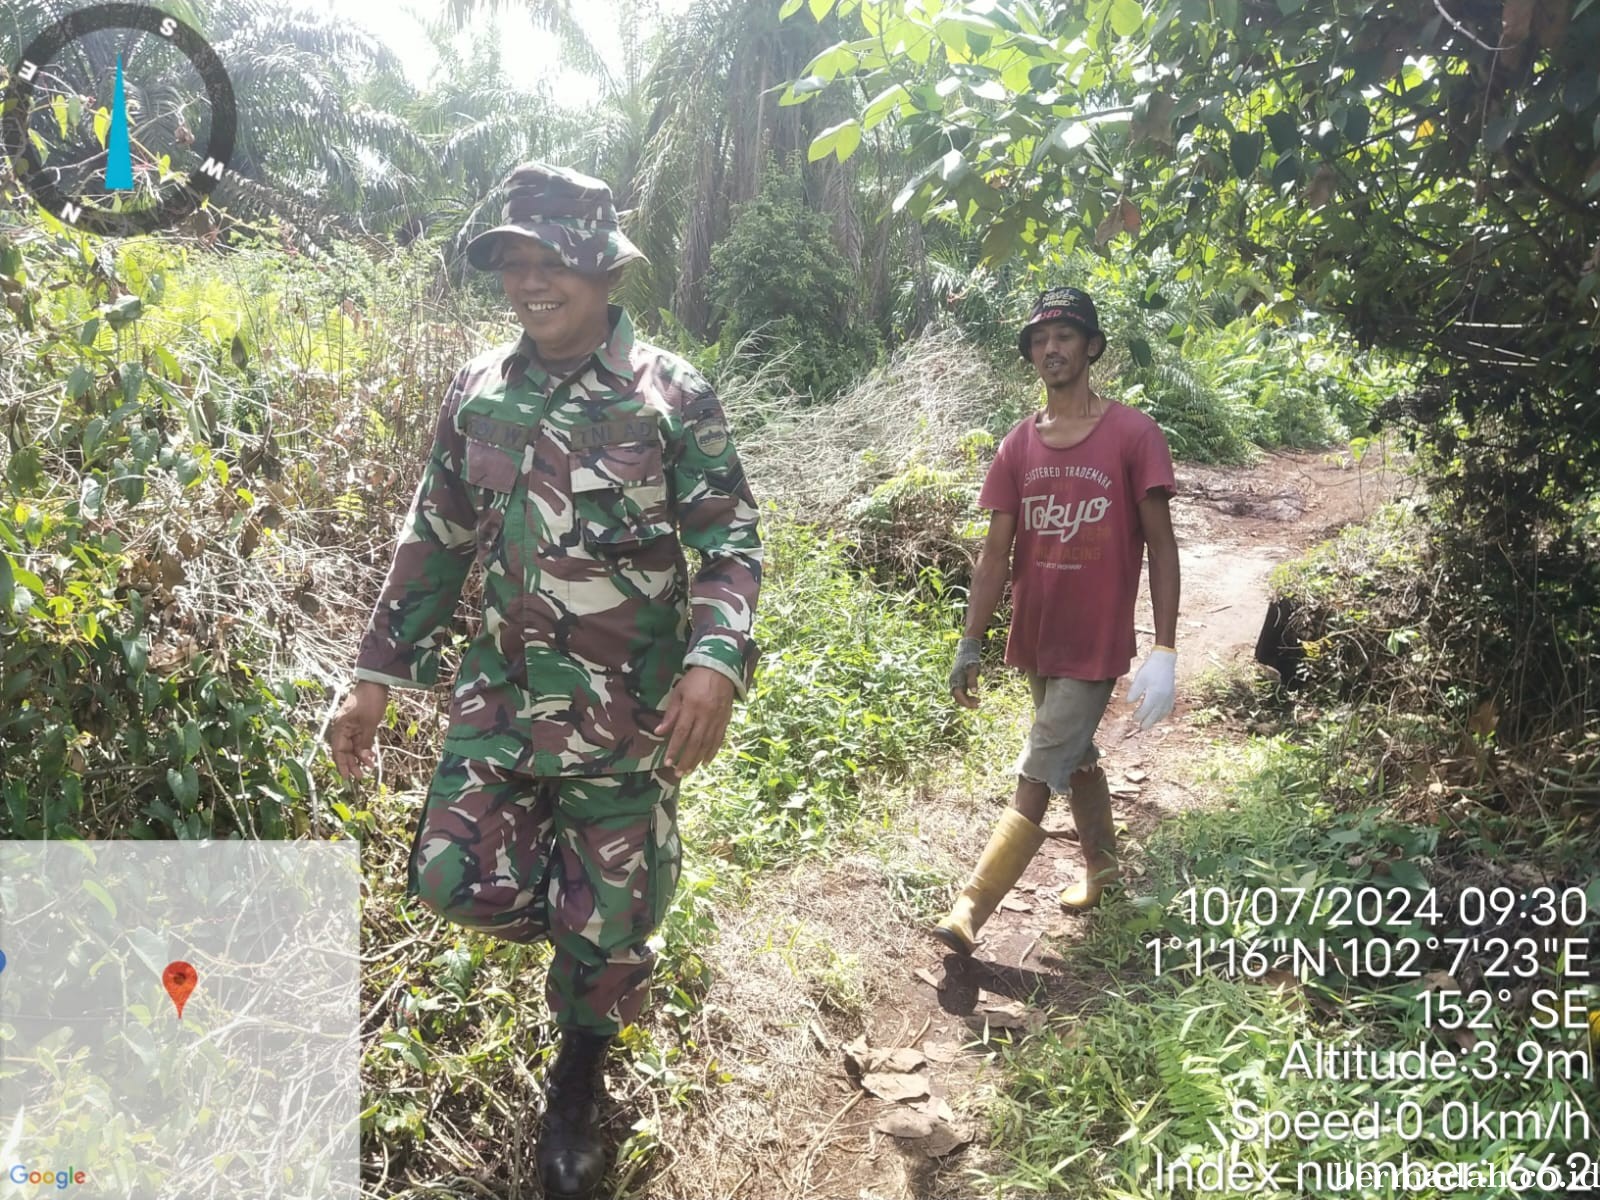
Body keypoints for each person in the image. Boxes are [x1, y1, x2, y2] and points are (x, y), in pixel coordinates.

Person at [326, 163, 762, 1199]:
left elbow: (732, 542)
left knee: (610, 920)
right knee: (447, 874)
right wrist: (375, 676)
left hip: (627, 710)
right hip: (504, 699)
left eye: (551, 261)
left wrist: (714, 661)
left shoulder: (669, 394)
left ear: (602, 270)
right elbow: (433, 536)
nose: (531, 282)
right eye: (514, 262)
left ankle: (580, 1073)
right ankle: (601, 937)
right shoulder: (481, 388)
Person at [932, 286, 1179, 956]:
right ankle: (1104, 872)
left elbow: (1161, 544)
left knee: (1040, 765)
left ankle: (971, 908)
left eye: (1066, 335)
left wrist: (1165, 647)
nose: (1052, 348)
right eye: (1041, 339)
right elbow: (993, 555)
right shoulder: (1018, 445)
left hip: (1096, 643)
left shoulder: (1133, 435)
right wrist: (970, 640)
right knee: (1074, 757)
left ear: (1092, 346)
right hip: (1038, 637)